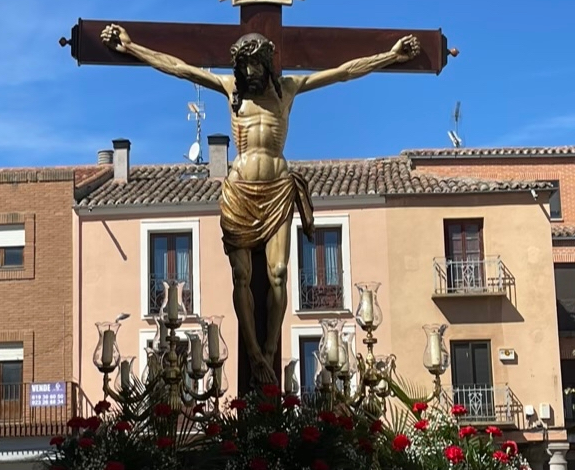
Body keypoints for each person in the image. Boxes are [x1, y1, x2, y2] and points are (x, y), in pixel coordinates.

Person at [101, 24, 420, 384]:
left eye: (256, 65)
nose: (250, 73)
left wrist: (390, 56)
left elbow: (343, 72)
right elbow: (178, 67)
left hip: (277, 189)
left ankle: (269, 348)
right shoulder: (230, 90)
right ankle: (253, 351)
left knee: (279, 274)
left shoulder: (287, 90)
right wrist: (131, 47)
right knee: (242, 276)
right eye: (244, 66)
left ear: (267, 63)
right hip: (239, 192)